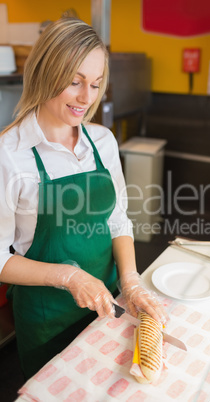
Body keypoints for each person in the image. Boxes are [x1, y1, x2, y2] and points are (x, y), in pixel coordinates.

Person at [0, 18, 168, 379]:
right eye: (74, 82)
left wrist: (131, 281)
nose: (86, 98)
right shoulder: (9, 155)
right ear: (46, 72)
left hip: (108, 303)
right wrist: (68, 277)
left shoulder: (102, 141)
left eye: (94, 84)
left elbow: (117, 219)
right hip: (47, 319)